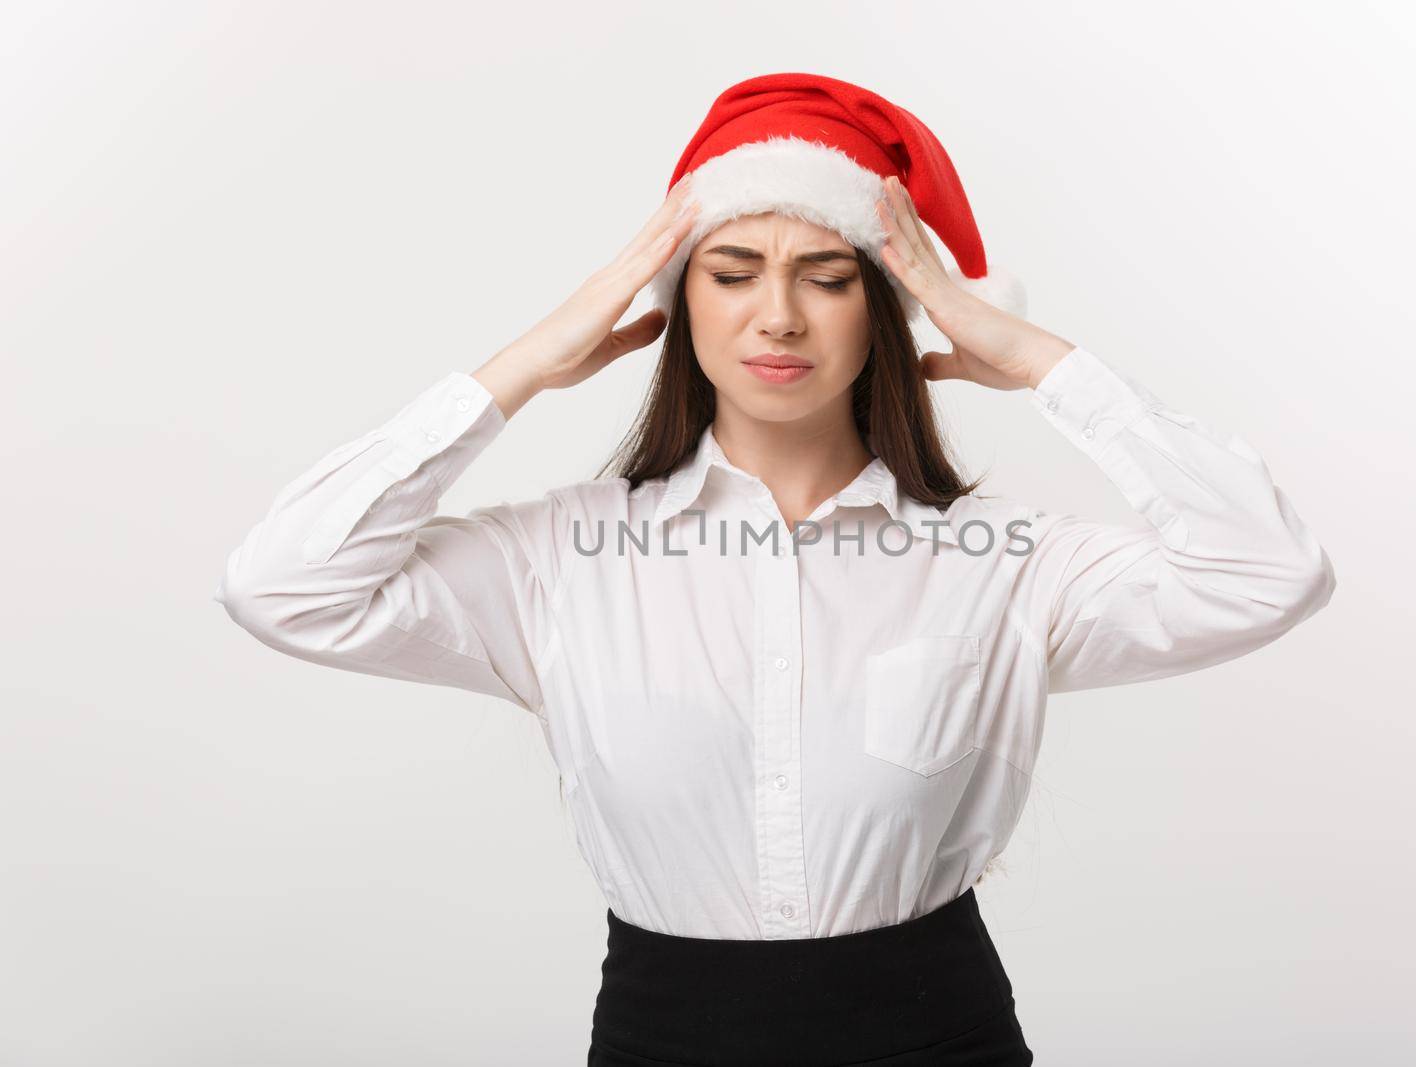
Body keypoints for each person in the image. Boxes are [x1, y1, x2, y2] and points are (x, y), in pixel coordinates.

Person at [214, 72, 1336, 1066]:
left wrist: (1041, 363)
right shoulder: (558, 557)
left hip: (939, 1036)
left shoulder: (1003, 562)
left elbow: (1268, 571)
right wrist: (520, 365)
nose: (778, 315)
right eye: (733, 269)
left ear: (886, 310)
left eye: (829, 276)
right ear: (675, 299)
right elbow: (283, 584)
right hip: (661, 1038)